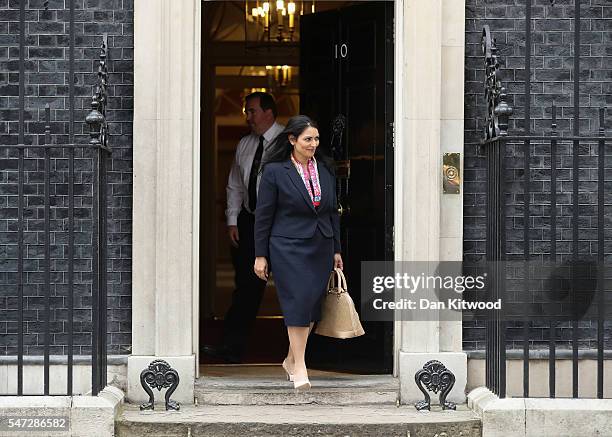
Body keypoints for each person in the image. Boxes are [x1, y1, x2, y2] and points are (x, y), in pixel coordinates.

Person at [253, 115, 343, 391]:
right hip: (287, 247)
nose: (313, 144)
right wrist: (260, 254)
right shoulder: (275, 171)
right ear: (292, 140)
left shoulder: (325, 169)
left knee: (313, 304)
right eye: (307, 139)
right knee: (297, 301)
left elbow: (331, 212)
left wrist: (337, 249)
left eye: (316, 139)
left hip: (320, 244)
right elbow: (263, 216)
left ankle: (291, 359)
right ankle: (300, 366)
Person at [202, 92, 284, 363]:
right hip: (251, 222)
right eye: (246, 111)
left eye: (252, 111)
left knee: (294, 287)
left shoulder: (289, 141)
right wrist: (233, 220)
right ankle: (231, 347)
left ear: (269, 113)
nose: (247, 116)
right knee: (246, 287)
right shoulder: (244, 145)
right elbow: (235, 185)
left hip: (284, 223)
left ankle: (304, 352)